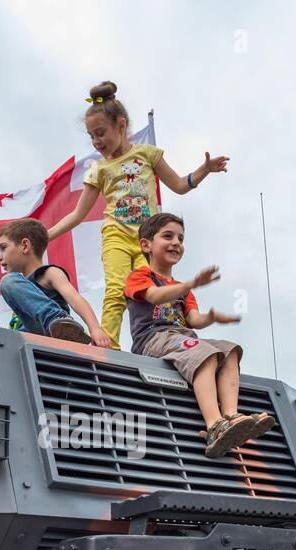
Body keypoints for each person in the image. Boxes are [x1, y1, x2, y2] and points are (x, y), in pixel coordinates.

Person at [47, 81, 229, 349]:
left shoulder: (148, 155)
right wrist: (46, 235)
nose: (96, 142)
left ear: (121, 126)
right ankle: (107, 348)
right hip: (116, 235)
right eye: (91, 136)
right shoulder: (99, 169)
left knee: (147, 294)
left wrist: (204, 170)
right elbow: (77, 214)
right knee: (116, 291)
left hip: (147, 240)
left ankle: (150, 342)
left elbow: (178, 185)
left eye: (101, 133)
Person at [124, 212, 274, 458]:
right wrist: (190, 284)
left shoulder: (185, 291)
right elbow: (153, 296)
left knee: (229, 349)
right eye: (168, 236)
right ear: (146, 245)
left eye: (181, 238)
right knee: (204, 351)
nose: (176, 243)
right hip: (154, 338)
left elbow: (193, 320)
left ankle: (231, 417)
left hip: (182, 338)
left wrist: (210, 317)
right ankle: (214, 425)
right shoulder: (140, 276)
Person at [0, 218, 112, 347]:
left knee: (8, 281)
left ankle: (57, 321)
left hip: (50, 332)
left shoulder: (49, 273)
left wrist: (95, 328)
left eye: (3, 248)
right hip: (30, 341)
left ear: (25, 246)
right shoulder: (21, 290)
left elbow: (75, 298)